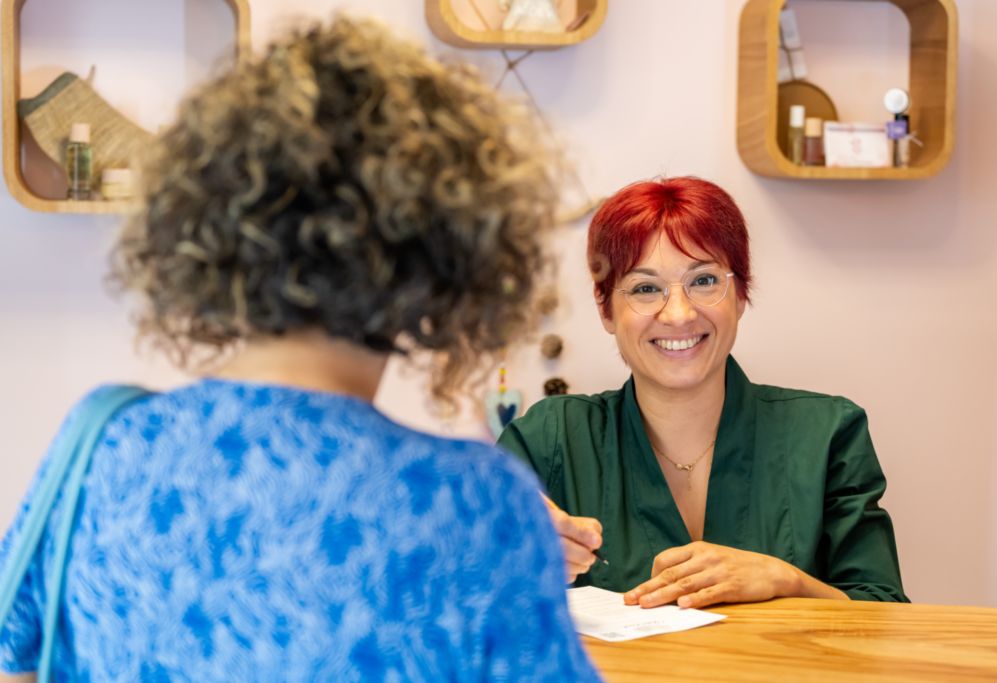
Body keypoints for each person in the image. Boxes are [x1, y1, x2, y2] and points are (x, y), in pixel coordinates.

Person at [0, 15, 601, 681]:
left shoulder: (99, 446)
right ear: (446, 254)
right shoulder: (476, 507)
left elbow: (14, 654)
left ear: (212, 228)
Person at [498, 176, 908, 609]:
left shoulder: (828, 435)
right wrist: (499, 558)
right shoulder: (548, 439)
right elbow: (456, 608)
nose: (679, 314)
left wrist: (786, 579)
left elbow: (883, 618)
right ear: (606, 310)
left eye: (705, 281)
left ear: (740, 294)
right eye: (645, 288)